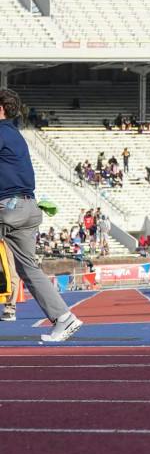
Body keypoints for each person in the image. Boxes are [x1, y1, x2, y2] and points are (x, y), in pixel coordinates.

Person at [0, 88, 85, 344]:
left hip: (8, 207)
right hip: (27, 207)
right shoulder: (15, 134)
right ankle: (64, 317)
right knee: (29, 268)